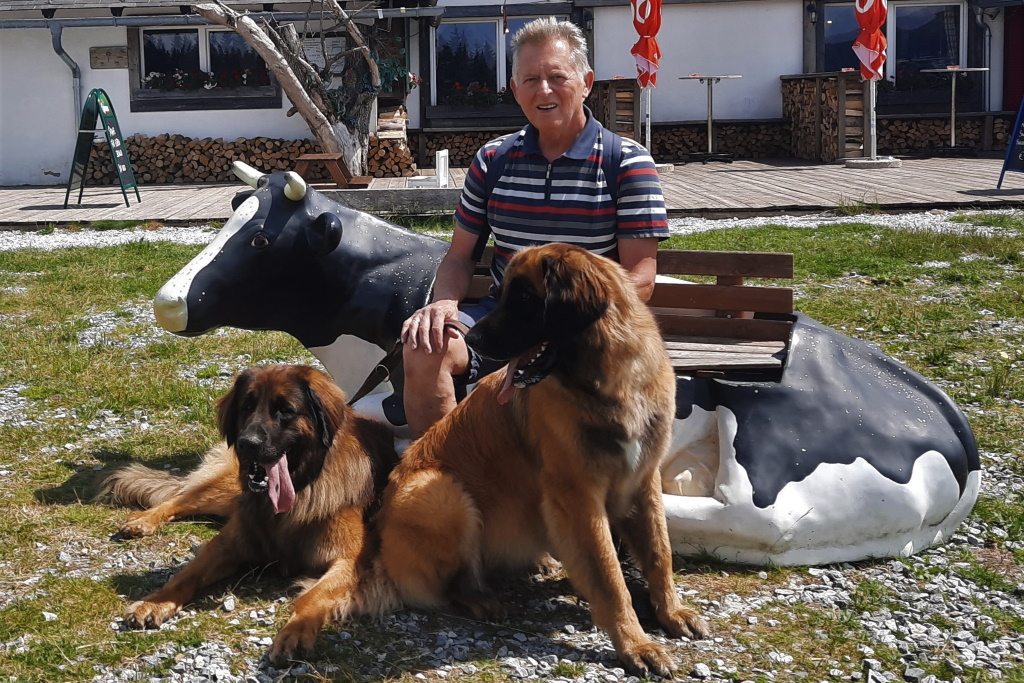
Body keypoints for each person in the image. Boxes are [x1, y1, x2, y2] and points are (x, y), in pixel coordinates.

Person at [400, 18, 669, 438]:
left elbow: (641, 279)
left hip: (585, 327)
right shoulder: (492, 160)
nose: (543, 90)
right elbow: (458, 257)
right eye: (530, 79)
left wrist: (552, 332)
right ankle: (444, 478)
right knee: (422, 349)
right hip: (505, 315)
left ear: (586, 83)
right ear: (514, 88)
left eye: (557, 76)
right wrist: (445, 305)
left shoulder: (627, 164)